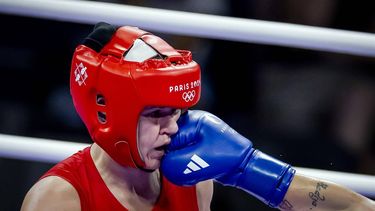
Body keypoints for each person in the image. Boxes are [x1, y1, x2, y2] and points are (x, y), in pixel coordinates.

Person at [20, 22, 375, 211]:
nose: (173, 127)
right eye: (157, 114)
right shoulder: (60, 199)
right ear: (106, 113)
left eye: (176, 112)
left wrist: (249, 169)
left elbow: (356, 210)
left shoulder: (192, 179)